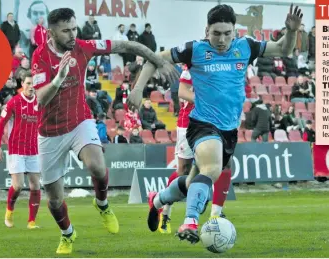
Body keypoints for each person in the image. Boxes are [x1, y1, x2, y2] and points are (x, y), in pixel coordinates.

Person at [127, 3, 303, 244]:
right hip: (201, 124)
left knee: (191, 184)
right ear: (206, 30)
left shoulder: (246, 46)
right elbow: (153, 59)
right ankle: (190, 222)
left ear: (235, 32)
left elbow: (283, 49)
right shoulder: (194, 50)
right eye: (216, 33)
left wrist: (291, 31)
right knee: (212, 169)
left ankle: (157, 200)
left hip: (228, 129)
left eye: (227, 34)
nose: (221, 39)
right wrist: (138, 89)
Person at [31, 8, 178, 255]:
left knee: (98, 167)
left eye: (74, 28)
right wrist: (59, 78)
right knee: (55, 200)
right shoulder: (40, 57)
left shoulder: (83, 46)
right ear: (51, 32)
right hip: (50, 132)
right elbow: (41, 99)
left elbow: (128, 44)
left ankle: (102, 204)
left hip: (79, 121)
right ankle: (67, 234)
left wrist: (158, 60)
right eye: (66, 30)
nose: (72, 34)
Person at [158, 67, 231, 234]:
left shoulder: (224, 65)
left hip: (214, 122)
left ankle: (215, 215)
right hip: (189, 123)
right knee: (183, 170)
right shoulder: (194, 65)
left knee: (223, 165)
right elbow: (182, 93)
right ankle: (165, 210)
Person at [0, 71, 41, 230]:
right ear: (22, 84)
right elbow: (1, 124)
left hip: (34, 150)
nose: (31, 87)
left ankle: (32, 222)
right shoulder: (14, 102)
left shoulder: (40, 103)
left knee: (36, 186)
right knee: (19, 185)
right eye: (28, 83)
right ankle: (9, 211)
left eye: (33, 84)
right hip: (16, 150)